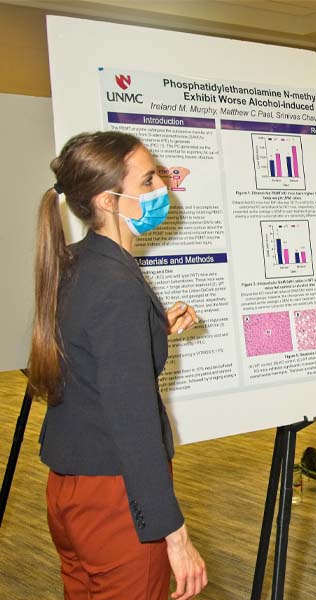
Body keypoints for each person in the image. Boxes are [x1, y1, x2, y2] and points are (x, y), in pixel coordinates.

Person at [28, 131, 208, 599]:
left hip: (69, 489)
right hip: (116, 499)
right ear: (109, 200)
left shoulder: (76, 263)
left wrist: (152, 327)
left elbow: (92, 354)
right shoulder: (116, 285)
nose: (161, 189)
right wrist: (176, 536)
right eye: (148, 180)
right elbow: (133, 422)